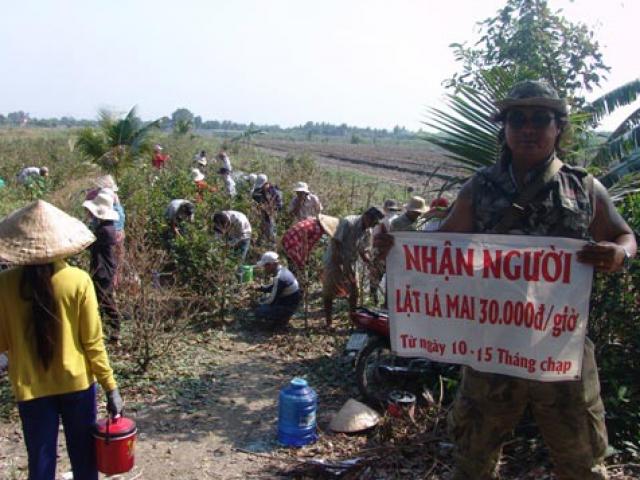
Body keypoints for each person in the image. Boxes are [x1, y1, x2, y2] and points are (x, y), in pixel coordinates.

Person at [376, 80, 637, 480]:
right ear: (505, 128)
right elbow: (443, 245)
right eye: (517, 119)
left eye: (540, 119)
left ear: (558, 127)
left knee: (581, 462)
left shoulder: (583, 188)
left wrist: (620, 254)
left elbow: (624, 236)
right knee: (472, 459)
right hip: (492, 343)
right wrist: (398, 247)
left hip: (560, 345)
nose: (528, 128)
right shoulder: (481, 188)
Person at [0, 200, 123, 480]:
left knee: (41, 462)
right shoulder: (78, 281)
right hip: (77, 384)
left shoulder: (4, 284)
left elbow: (3, 343)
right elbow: (93, 344)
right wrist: (111, 387)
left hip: (31, 389)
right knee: (84, 459)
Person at [323, 207, 384, 327]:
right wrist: (338, 264)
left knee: (354, 291)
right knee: (329, 291)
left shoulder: (368, 231)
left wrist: (370, 263)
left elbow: (363, 250)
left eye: (375, 224)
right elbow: (335, 242)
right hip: (334, 260)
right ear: (366, 217)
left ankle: (353, 319)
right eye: (372, 222)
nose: (372, 226)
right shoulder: (348, 222)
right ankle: (328, 322)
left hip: (350, 261)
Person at [83, 191, 121, 343]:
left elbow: (90, 244)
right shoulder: (106, 226)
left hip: (103, 269)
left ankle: (115, 331)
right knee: (102, 299)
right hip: (103, 267)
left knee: (105, 300)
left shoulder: (105, 230)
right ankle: (108, 330)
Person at [86, 175, 126, 288]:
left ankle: (107, 287)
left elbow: (90, 214)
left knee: (102, 260)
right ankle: (114, 285)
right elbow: (121, 216)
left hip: (105, 233)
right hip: (117, 234)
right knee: (115, 263)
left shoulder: (94, 195)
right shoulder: (114, 196)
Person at [253, 251, 302, 329]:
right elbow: (274, 287)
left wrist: (259, 303)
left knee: (259, 310)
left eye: (266, 265)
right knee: (263, 301)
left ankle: (280, 321)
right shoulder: (282, 270)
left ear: (273, 264)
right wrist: (260, 288)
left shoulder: (280, 278)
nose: (265, 268)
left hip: (288, 306)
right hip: (289, 301)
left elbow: (271, 299)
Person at [369, 199, 402, 304]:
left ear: (385, 209)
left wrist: (372, 254)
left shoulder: (382, 221)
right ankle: (388, 304)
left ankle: (373, 301)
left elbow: (374, 239)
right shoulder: (399, 220)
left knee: (375, 278)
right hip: (396, 255)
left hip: (381, 254)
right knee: (391, 280)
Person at [252, 174, 283, 245]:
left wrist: (268, 208)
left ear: (267, 183)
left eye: (262, 186)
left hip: (271, 216)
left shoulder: (275, 192)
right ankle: (260, 244)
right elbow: (255, 196)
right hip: (263, 216)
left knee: (271, 233)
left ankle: (272, 246)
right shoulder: (261, 191)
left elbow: (280, 206)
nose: (261, 188)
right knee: (262, 231)